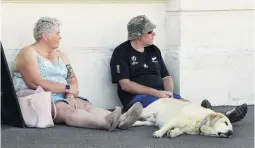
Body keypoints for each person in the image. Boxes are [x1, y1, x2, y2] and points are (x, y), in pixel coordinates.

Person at [110, 15, 248, 124]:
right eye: (150, 31)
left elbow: (166, 77)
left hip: (161, 95)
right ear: (138, 34)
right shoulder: (121, 52)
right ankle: (215, 117)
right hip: (137, 100)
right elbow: (125, 85)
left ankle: (219, 117)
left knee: (186, 104)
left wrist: (169, 92)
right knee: (179, 109)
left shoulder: (154, 50)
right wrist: (157, 93)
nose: (154, 34)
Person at [12, 16, 143, 131]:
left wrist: (70, 94)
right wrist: (67, 89)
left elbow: (72, 78)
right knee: (68, 110)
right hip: (42, 98)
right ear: (45, 36)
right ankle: (106, 122)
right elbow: (36, 83)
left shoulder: (60, 54)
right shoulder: (28, 53)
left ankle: (121, 119)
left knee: (86, 106)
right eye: (57, 33)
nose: (60, 37)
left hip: (63, 94)